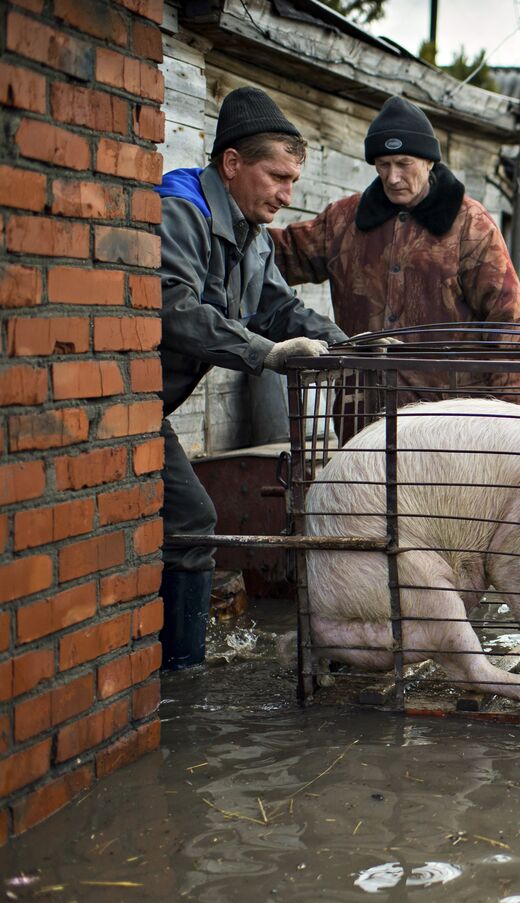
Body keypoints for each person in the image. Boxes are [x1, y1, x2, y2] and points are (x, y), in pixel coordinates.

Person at [155, 87, 348, 670]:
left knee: (179, 521)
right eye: (278, 177)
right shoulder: (180, 210)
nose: (287, 196)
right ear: (232, 163)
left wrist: (349, 344)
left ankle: (163, 656)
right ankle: (179, 675)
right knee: (192, 519)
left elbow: (278, 308)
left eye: (293, 180)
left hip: (149, 404)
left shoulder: (250, 235)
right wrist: (265, 354)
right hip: (119, 399)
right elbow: (171, 307)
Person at [268, 95, 520, 441]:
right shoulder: (345, 221)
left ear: (427, 161)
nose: (392, 177)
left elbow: (508, 325)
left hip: (449, 422)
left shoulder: (470, 226)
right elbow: (279, 255)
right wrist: (222, 223)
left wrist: (515, 428)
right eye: (383, 165)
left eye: (403, 163)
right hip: (362, 416)